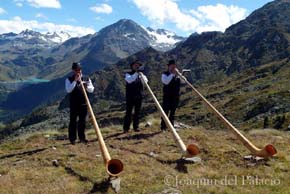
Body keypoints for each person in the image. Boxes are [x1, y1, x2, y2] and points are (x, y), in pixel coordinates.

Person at [65, 62, 94, 144]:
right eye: (76, 70)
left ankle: (82, 138)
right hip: (74, 104)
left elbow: (92, 89)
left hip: (84, 104)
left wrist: (86, 86)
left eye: (79, 70)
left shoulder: (86, 78)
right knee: (73, 121)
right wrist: (75, 81)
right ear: (73, 71)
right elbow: (68, 90)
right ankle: (72, 139)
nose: (78, 71)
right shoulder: (69, 79)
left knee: (82, 121)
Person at [123, 60, 148, 133]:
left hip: (139, 96)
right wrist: (137, 74)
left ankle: (136, 127)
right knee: (128, 112)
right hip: (130, 96)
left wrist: (141, 75)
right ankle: (126, 128)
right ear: (132, 66)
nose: (137, 67)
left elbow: (146, 81)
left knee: (137, 112)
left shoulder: (141, 75)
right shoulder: (128, 74)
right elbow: (130, 80)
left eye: (138, 66)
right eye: (135, 65)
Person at [160, 60, 181, 131]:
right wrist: (172, 74)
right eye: (172, 66)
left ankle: (171, 127)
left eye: (174, 66)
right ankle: (163, 127)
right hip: (167, 96)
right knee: (165, 112)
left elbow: (184, 81)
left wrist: (180, 75)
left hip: (175, 96)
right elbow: (166, 82)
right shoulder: (164, 74)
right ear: (168, 67)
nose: (173, 68)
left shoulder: (177, 76)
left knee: (173, 112)